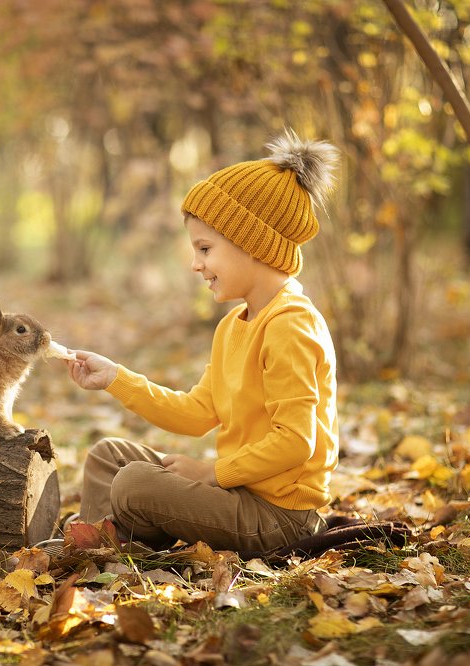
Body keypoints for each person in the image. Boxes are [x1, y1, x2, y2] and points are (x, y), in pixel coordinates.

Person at [65, 129, 341, 555]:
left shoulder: (291, 326)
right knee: (109, 456)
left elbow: (295, 441)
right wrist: (117, 378)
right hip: (239, 494)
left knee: (134, 483)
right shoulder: (234, 326)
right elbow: (196, 414)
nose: (196, 265)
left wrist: (211, 472)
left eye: (205, 249)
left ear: (253, 244)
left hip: (279, 518)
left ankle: (116, 536)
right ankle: (101, 542)